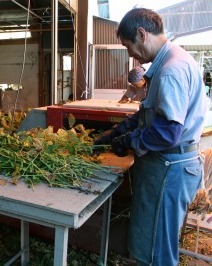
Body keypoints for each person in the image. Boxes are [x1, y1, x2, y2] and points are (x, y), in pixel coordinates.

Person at [93, 8, 207, 266]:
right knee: (156, 242)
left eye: (128, 45)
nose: (130, 54)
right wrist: (118, 131)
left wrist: (131, 141)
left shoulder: (171, 70)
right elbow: (150, 114)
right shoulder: (169, 62)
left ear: (142, 34)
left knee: (158, 251)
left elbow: (168, 131)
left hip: (170, 170)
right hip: (169, 168)